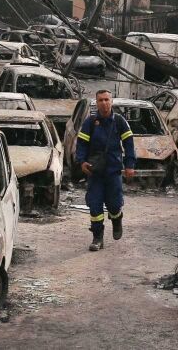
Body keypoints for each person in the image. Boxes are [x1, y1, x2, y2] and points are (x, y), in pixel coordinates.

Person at [75, 89, 136, 251]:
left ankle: (117, 219)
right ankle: (97, 238)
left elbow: (129, 144)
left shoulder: (120, 121)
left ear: (112, 102)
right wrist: (82, 162)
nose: (104, 103)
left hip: (113, 172)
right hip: (95, 173)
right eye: (100, 100)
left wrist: (130, 165)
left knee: (114, 205)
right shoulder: (90, 122)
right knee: (94, 206)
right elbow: (81, 145)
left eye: (106, 99)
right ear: (96, 103)